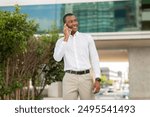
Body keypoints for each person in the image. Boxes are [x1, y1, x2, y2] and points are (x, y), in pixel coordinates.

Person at [53, 13, 101, 100]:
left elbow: (95, 59)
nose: (74, 23)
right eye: (70, 22)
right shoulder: (60, 41)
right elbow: (57, 58)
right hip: (69, 78)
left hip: (86, 77)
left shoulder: (87, 38)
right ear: (65, 25)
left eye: (75, 20)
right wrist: (66, 38)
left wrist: (97, 79)